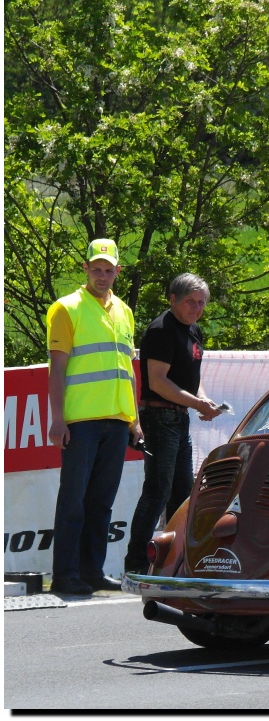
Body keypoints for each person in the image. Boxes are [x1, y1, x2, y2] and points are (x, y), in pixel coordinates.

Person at [47, 238, 142, 594]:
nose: (103, 276)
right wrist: (58, 419)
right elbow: (57, 370)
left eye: (109, 270)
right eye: (96, 269)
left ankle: (91, 570)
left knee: (101, 502)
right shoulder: (66, 308)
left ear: (118, 271)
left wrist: (133, 420)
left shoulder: (124, 312)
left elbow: (127, 372)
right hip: (80, 422)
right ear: (86, 269)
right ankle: (65, 574)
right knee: (73, 500)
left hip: (116, 422)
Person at [124, 273, 222, 574]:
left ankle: (174, 563)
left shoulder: (194, 331)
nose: (196, 308)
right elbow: (158, 381)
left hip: (180, 418)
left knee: (183, 493)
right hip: (160, 416)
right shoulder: (161, 330)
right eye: (190, 301)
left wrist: (203, 401)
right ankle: (137, 563)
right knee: (157, 491)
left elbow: (192, 376)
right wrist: (196, 403)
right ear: (173, 299)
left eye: (201, 302)